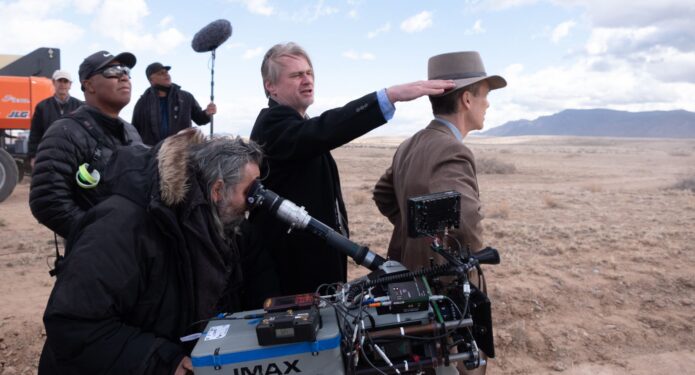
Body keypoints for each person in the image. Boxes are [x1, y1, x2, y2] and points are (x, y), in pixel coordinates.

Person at [244, 42, 455, 306]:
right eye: (296, 75)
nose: (307, 79)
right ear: (270, 86)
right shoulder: (272, 125)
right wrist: (389, 97)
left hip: (317, 262)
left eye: (309, 73)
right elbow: (326, 129)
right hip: (290, 272)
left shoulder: (300, 124)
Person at [39, 128, 263, 375]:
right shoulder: (121, 227)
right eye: (248, 194)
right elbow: (72, 324)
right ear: (218, 190)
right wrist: (164, 362)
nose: (250, 205)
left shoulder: (207, 223)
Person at [372, 51, 506, 374]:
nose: (488, 104)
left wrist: (412, 233)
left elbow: (383, 194)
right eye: (485, 95)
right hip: (439, 296)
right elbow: (466, 222)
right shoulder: (453, 150)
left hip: (406, 284)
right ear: (467, 99)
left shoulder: (410, 144)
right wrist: (461, 271)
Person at [29, 50, 143, 239]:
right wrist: (102, 236)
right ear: (89, 85)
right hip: (98, 257)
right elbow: (48, 201)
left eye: (126, 71)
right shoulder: (64, 132)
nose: (124, 77)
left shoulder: (131, 132)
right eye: (113, 71)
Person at [132, 62, 217, 145]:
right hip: (151, 155)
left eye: (167, 72)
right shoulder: (142, 103)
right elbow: (134, 132)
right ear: (151, 80)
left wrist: (207, 113)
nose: (167, 75)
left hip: (182, 153)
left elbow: (200, 119)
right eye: (161, 73)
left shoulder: (186, 97)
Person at [27, 69, 82, 167]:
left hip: (73, 156)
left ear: (70, 85)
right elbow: (35, 134)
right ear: (53, 82)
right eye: (59, 81)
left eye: (65, 81)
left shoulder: (80, 107)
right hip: (49, 156)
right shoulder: (42, 107)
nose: (62, 84)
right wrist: (33, 156)